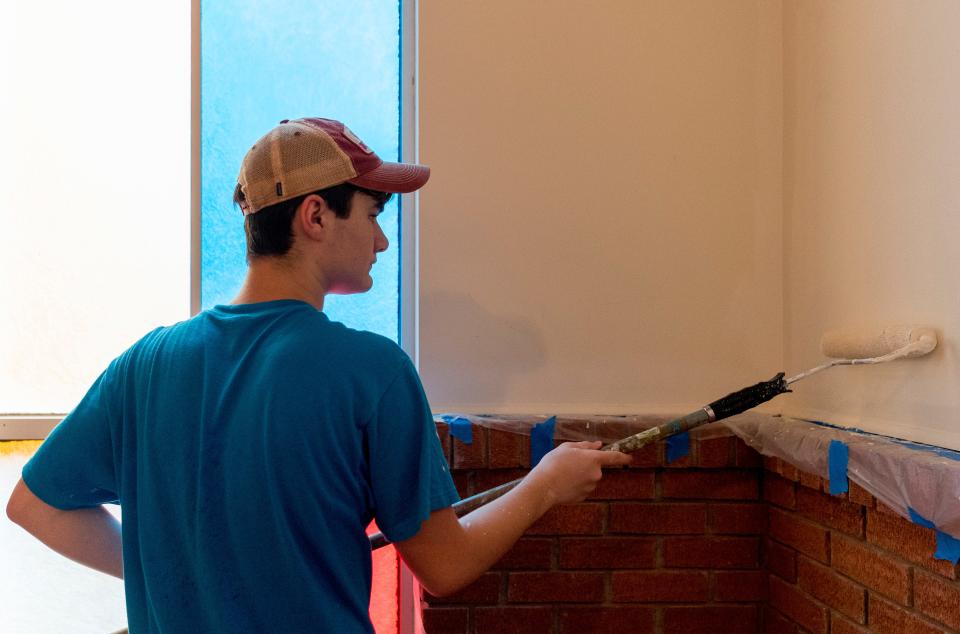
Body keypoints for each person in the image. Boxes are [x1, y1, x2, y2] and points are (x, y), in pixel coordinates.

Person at [6, 117, 632, 632]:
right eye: (372, 214)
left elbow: (34, 505)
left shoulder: (143, 365)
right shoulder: (370, 371)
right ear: (315, 216)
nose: (382, 242)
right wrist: (547, 483)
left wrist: (179, 569)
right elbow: (445, 566)